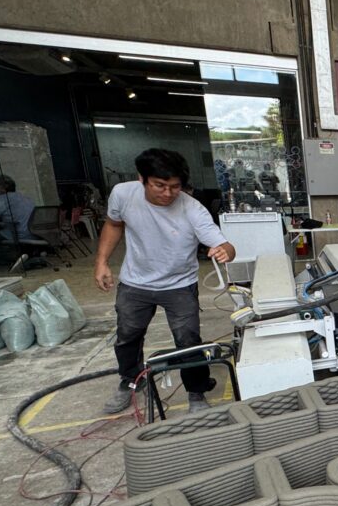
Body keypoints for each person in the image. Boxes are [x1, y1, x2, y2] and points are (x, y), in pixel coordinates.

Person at [94, 148, 235, 415]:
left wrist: (224, 251)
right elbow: (114, 224)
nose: (168, 193)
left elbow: (224, 244)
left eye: (175, 187)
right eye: (160, 185)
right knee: (128, 336)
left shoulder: (192, 209)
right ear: (142, 179)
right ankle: (131, 382)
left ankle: (196, 393)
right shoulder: (123, 195)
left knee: (188, 340)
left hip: (179, 285)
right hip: (135, 283)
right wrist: (101, 262)